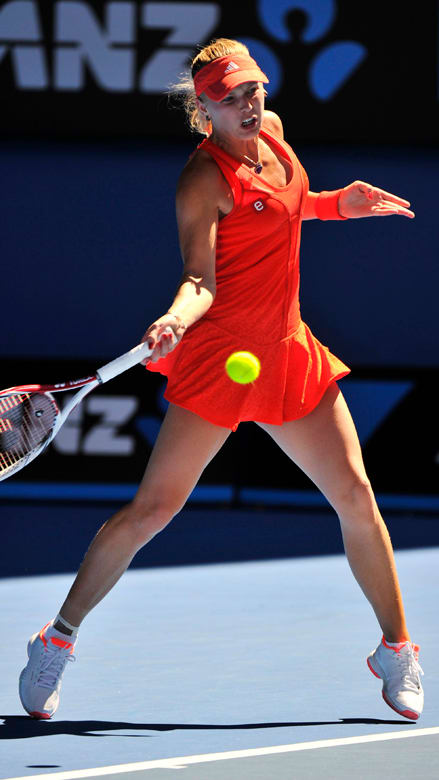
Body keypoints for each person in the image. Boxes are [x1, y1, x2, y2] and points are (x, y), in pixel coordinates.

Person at [19, 38, 424, 722]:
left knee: (356, 497)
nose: (247, 105)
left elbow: (287, 206)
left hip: (288, 351)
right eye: (229, 98)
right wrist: (175, 319)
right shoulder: (203, 180)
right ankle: (55, 639)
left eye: (253, 90)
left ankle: (395, 649)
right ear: (204, 109)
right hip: (219, 359)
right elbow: (199, 279)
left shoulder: (274, 134)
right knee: (153, 511)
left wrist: (335, 204)